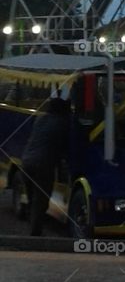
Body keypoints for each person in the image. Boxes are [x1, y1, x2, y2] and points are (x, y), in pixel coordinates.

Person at [20, 96, 71, 237]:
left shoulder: (40, 119)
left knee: (31, 198)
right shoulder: (63, 123)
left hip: (26, 161)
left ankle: (32, 228)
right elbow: (67, 145)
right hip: (43, 163)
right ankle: (35, 234)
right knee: (41, 200)